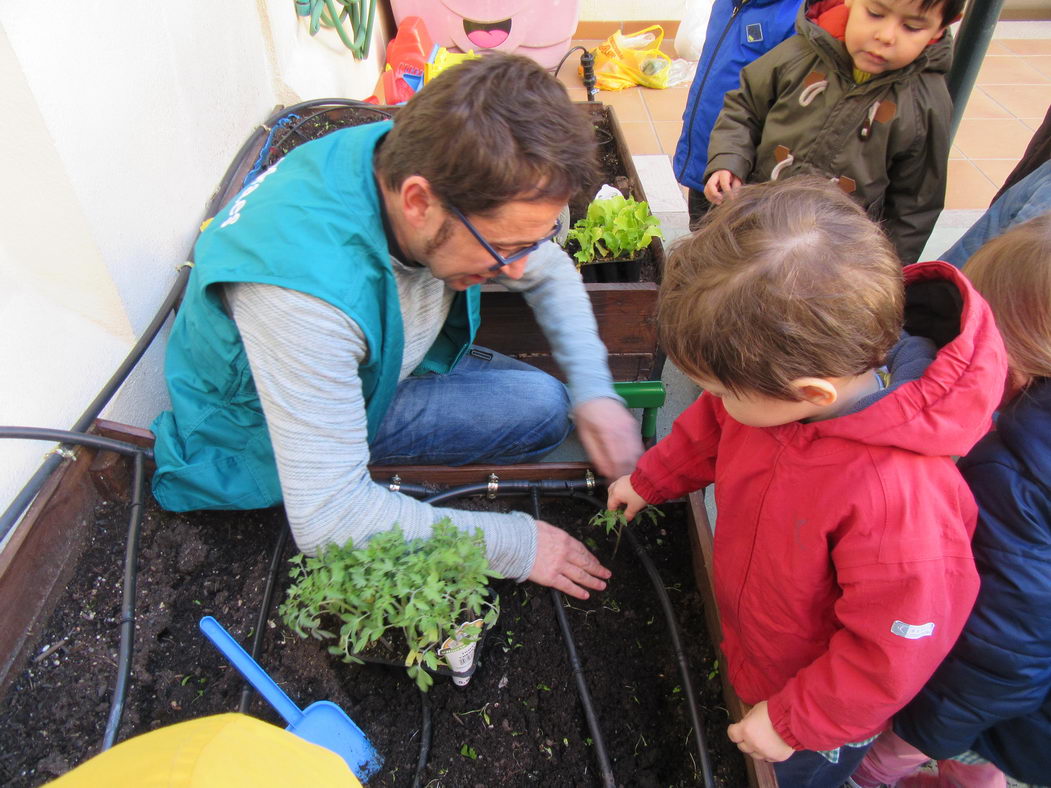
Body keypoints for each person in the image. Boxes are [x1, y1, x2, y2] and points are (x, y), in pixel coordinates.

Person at [150, 54, 644, 600]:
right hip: (261, 423)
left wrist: (596, 394)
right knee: (359, 497)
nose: (521, 267)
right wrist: (517, 545)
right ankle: (354, 469)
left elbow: (548, 269)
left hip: (375, 370)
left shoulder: (420, 150)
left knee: (546, 405)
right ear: (418, 202)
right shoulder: (302, 298)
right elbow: (327, 521)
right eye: (502, 248)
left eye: (528, 241)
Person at [605, 177, 1007, 787]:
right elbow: (713, 426)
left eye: (720, 388)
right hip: (756, 641)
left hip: (814, 707)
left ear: (809, 395)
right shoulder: (784, 390)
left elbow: (889, 655)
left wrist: (793, 722)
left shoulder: (899, 502)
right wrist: (651, 478)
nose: (713, 400)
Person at [852, 213, 1051, 788]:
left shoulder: (1014, 473)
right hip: (1018, 701)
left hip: (998, 706)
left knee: (952, 759)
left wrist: (913, 738)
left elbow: (1000, 652)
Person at [702, 0, 961, 264]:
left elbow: (915, 206)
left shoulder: (926, 105)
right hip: (753, 220)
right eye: (875, 13)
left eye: (912, 27)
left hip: (836, 255)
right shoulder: (800, 53)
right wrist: (729, 160)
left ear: (939, 29)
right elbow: (744, 107)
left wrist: (889, 271)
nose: (885, 36)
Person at [672, 0, 804, 226]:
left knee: (729, 246)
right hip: (705, 151)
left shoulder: (795, 19)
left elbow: (785, 115)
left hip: (740, 173)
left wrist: (738, 164)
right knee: (699, 228)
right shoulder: (726, 4)